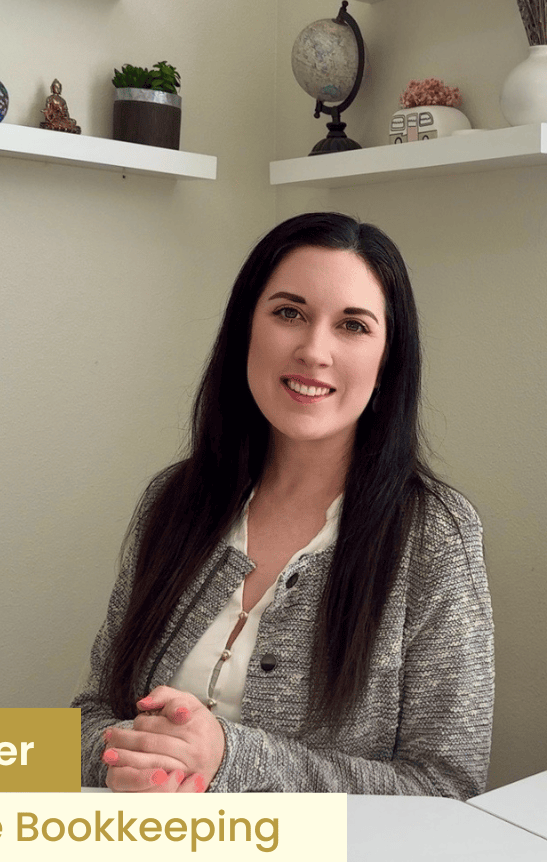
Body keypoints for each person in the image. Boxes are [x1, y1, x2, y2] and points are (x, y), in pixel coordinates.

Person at [72, 212, 493, 797]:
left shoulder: (435, 535)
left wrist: (229, 760)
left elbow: (447, 785)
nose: (314, 350)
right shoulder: (175, 501)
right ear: (246, 329)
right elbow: (94, 713)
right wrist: (126, 761)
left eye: (353, 325)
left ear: (387, 361)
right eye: (289, 313)